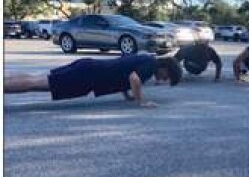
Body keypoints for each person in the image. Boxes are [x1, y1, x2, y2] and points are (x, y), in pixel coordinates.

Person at [4, 54, 181, 108]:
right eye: (167, 77)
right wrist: (142, 101)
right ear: (165, 68)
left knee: (38, 82)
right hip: (88, 74)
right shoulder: (150, 65)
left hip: (88, 68)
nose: (164, 80)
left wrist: (127, 94)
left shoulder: (146, 58)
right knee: (36, 83)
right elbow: (134, 78)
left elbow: (124, 69)